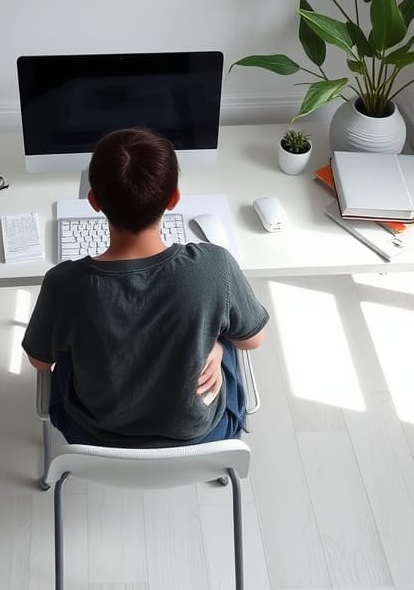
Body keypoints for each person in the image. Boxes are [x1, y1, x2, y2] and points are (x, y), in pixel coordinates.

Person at [22, 126, 269, 448]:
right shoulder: (215, 266)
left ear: (93, 201)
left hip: (95, 436)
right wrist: (216, 345)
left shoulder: (63, 284)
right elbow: (253, 340)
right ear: (174, 199)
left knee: (65, 345)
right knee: (226, 330)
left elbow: (40, 362)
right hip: (200, 433)